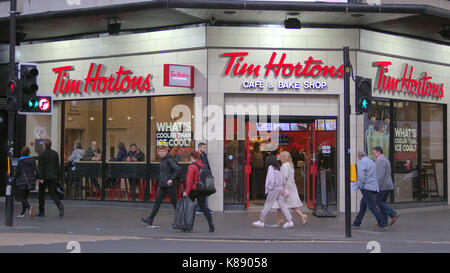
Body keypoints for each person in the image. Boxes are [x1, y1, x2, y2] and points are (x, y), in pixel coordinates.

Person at [141, 146, 180, 226]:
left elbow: (177, 169)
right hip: (163, 184)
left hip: (169, 185)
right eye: (160, 151)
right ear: (158, 153)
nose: (162, 152)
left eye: (164, 151)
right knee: (157, 202)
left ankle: (181, 221)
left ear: (166, 152)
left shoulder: (169, 159)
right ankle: (150, 219)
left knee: (175, 203)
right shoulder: (162, 160)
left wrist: (171, 179)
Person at [252, 155, 294, 229]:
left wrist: (269, 187)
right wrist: (282, 186)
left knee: (268, 205)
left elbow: (271, 179)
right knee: (283, 205)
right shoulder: (279, 168)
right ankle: (290, 221)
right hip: (280, 189)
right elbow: (284, 179)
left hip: (273, 189)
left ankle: (261, 221)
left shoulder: (271, 168)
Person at [352, 150, 387, 230]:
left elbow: (361, 176)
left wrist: (360, 186)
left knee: (372, 206)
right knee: (363, 205)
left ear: (358, 156)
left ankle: (382, 222)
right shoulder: (371, 161)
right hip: (373, 186)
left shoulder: (362, 162)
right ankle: (357, 222)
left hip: (366, 187)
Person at [272, 151, 309, 226]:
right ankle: (302, 216)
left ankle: (280, 220)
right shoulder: (290, 165)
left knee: (280, 204)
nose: (280, 158)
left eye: (281, 156)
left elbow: (284, 177)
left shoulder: (285, 165)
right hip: (290, 186)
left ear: (285, 157)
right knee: (288, 204)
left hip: (285, 187)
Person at [183, 151, 215, 232]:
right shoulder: (203, 165)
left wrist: (186, 191)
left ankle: (188, 226)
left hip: (194, 189)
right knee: (203, 207)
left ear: (192, 157)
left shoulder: (191, 167)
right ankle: (211, 223)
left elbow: (189, 181)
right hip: (202, 189)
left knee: (189, 208)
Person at [373, 146, 400, 226]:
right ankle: (384, 222)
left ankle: (393, 213)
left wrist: (378, 186)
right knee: (382, 202)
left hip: (383, 185)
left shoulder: (380, 161)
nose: (374, 154)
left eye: (374, 153)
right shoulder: (385, 159)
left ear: (379, 152)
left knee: (378, 201)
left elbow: (380, 175)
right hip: (387, 184)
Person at [37, 139, 64, 218]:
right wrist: (58, 177)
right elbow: (57, 166)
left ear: (44, 145)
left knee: (41, 194)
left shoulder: (41, 154)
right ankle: (59, 205)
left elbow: (40, 167)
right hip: (53, 176)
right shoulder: (55, 154)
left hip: (44, 177)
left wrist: (40, 177)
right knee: (52, 193)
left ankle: (41, 211)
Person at [15, 147, 40, 218]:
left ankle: (30, 208)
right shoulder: (32, 160)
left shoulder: (20, 161)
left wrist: (15, 178)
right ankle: (22, 214)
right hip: (30, 181)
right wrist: (39, 178)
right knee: (25, 198)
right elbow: (37, 170)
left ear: (22, 152)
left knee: (22, 198)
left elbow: (17, 171)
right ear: (29, 152)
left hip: (22, 181)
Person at [196, 142, 214, 215]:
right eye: (204, 147)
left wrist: (210, 175)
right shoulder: (197, 156)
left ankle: (202, 208)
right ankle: (200, 208)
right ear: (199, 148)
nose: (205, 149)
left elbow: (207, 166)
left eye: (205, 147)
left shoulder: (204, 155)